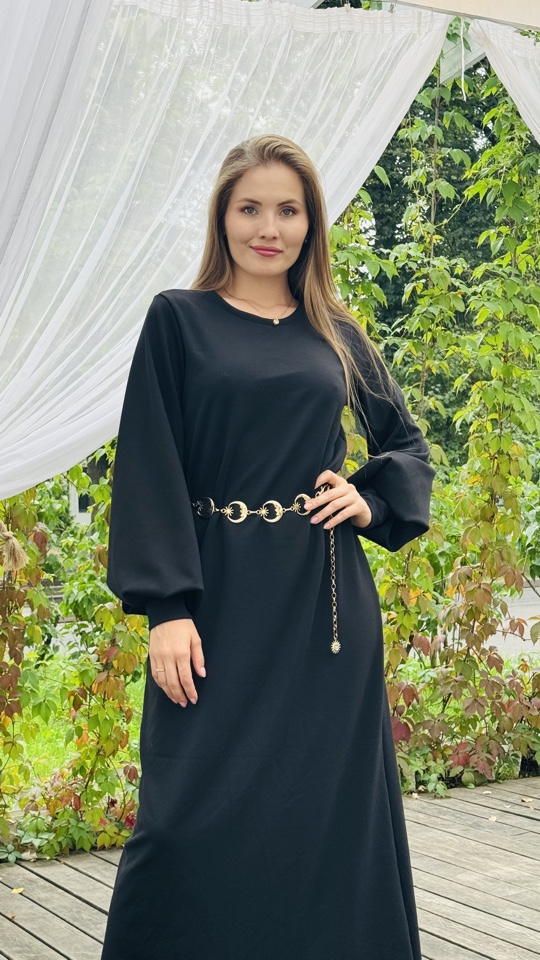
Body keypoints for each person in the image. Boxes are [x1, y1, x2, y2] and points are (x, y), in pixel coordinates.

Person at [100, 133, 435, 960]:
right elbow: (149, 461)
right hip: (215, 602)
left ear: (311, 222)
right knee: (182, 818)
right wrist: (167, 609)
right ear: (223, 216)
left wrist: (368, 496)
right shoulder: (179, 320)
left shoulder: (335, 331)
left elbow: (407, 446)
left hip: (324, 613)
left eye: (288, 210)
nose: (269, 228)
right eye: (250, 208)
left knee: (321, 814)